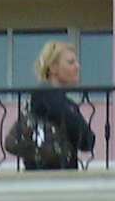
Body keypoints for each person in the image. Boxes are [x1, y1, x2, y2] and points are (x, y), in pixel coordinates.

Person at [18, 40, 96, 171]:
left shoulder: (65, 102)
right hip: (48, 175)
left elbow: (87, 142)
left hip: (60, 173)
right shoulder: (44, 95)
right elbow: (83, 135)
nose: (77, 66)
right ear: (53, 67)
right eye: (71, 62)